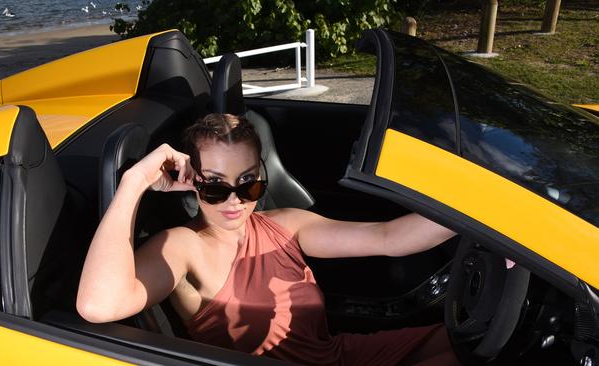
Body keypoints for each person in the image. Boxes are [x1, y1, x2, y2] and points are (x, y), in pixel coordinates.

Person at [77, 113, 460, 365]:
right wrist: (134, 183)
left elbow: (390, 238)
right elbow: (97, 305)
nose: (234, 201)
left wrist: (486, 214)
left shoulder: (286, 225)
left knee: (465, 341)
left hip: (335, 356)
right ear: (191, 180)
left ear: (261, 173)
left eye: (248, 183)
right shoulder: (182, 246)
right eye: (214, 187)